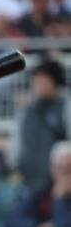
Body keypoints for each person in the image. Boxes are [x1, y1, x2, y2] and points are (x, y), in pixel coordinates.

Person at [11, 59, 69, 190]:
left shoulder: (66, 107)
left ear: (55, 82)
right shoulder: (26, 110)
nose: (38, 85)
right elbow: (17, 145)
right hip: (28, 184)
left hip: (59, 187)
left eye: (43, 80)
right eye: (35, 80)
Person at [5, 142, 71, 227]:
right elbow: (11, 221)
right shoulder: (42, 190)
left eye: (69, 170)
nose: (65, 176)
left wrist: (59, 198)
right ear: (52, 169)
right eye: (61, 169)